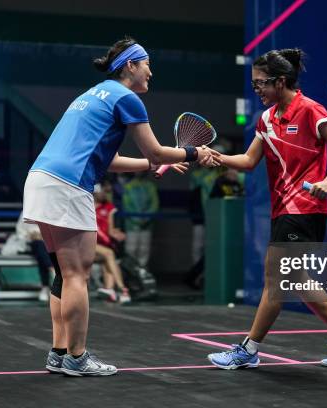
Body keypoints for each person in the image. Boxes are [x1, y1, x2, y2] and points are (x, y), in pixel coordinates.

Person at [22, 37, 220, 377]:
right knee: (77, 276)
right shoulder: (127, 98)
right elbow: (157, 151)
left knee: (64, 274)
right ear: (130, 65)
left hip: (41, 179)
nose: (151, 72)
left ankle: (58, 354)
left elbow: (110, 160)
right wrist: (194, 153)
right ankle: (78, 358)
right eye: (147, 64)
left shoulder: (92, 95)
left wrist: (150, 165)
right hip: (69, 185)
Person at [205, 48, 327, 369]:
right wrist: (218, 158)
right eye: (253, 85)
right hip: (283, 209)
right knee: (293, 279)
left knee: (276, 280)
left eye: (260, 84)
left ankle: (248, 350)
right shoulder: (266, 119)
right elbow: (249, 161)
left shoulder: (310, 110)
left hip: (305, 207)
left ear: (280, 82)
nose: (257, 91)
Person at [93, 184, 130, 304]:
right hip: (85, 243)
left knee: (109, 258)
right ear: (95, 192)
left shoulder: (109, 207)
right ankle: (122, 288)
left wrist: (116, 234)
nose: (104, 193)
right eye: (102, 191)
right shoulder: (85, 206)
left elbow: (110, 230)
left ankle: (110, 290)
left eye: (105, 191)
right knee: (109, 254)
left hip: (101, 247)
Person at [121, 171, 158, 268]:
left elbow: (154, 203)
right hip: (131, 225)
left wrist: (146, 218)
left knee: (144, 249)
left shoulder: (150, 186)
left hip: (147, 224)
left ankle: (142, 272)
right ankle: (130, 273)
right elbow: (127, 205)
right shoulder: (128, 186)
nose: (141, 172)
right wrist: (136, 220)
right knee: (131, 249)